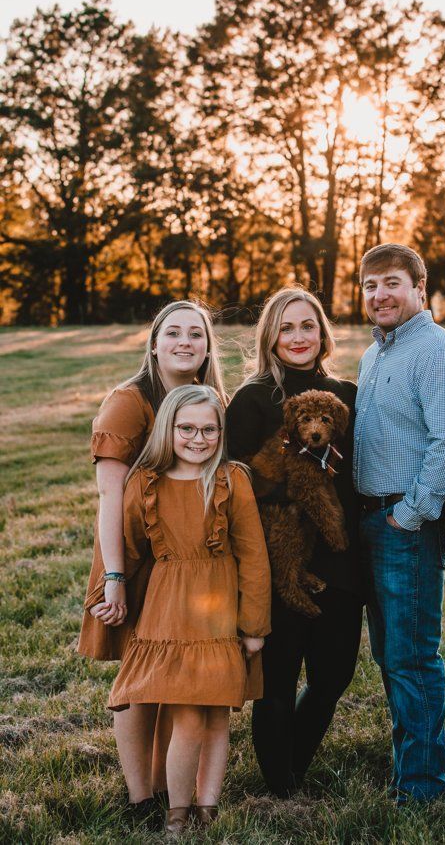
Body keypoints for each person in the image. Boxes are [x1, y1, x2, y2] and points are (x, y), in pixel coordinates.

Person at [77, 300, 227, 823]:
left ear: (208, 346)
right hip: (133, 557)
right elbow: (108, 498)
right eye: (174, 333)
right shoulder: (129, 401)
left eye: (196, 334)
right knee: (140, 680)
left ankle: (169, 786)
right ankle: (141, 797)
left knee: (174, 676)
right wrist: (115, 577)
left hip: (184, 559)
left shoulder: (208, 400)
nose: (185, 342)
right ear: (155, 342)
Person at [106, 385, 270, 836]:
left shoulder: (232, 480)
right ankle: (177, 813)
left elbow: (253, 555)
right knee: (189, 714)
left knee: (215, 712)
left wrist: (254, 625)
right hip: (167, 613)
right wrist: (114, 591)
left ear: (222, 432)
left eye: (209, 430)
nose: (198, 439)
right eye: (187, 429)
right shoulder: (145, 483)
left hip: (219, 613)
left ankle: (207, 807)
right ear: (168, 429)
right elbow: (130, 549)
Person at [225, 287, 363, 797]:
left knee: (332, 679)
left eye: (308, 325)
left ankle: (294, 769)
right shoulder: (253, 399)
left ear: (323, 332)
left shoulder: (346, 394)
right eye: (286, 327)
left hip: (340, 559)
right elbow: (238, 484)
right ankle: (281, 787)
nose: (298, 336)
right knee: (277, 684)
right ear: (270, 336)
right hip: (275, 558)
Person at [354, 243, 445, 804]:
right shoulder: (373, 352)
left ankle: (424, 786)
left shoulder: (438, 352)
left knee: (411, 655)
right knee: (389, 653)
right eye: (370, 286)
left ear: (420, 289)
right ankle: (410, 759)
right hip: (371, 517)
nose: (380, 295)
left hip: (406, 523)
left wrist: (410, 515)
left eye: (392, 284)